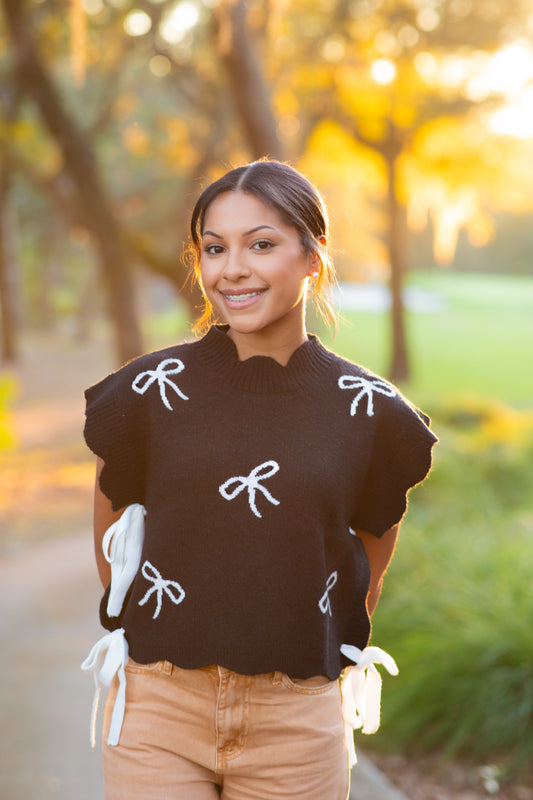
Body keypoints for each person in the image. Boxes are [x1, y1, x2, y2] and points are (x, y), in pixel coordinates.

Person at [82, 160, 437, 800]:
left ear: (313, 257)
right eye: (214, 249)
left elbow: (368, 557)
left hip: (297, 723)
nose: (232, 269)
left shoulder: (369, 410)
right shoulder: (147, 393)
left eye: (261, 244)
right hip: (159, 711)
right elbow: (111, 538)